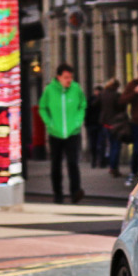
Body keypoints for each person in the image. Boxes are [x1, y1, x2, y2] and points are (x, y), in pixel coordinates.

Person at [37, 64, 87, 204]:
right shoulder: (50, 90)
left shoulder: (76, 89)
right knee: (56, 164)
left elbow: (82, 105)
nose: (69, 80)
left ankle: (75, 192)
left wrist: (78, 121)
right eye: (66, 77)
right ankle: (58, 194)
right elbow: (42, 108)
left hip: (73, 132)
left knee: (73, 163)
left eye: (70, 77)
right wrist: (50, 123)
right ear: (58, 77)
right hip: (55, 133)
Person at [99, 77, 127, 178]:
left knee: (111, 145)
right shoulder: (116, 95)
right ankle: (114, 168)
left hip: (105, 124)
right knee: (116, 146)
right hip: (115, 125)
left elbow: (96, 105)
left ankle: (111, 166)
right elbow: (121, 107)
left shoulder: (102, 94)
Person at [84, 84, 104, 168]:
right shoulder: (90, 100)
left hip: (100, 124)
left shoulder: (102, 100)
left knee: (100, 143)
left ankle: (100, 161)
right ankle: (94, 160)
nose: (97, 93)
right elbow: (86, 112)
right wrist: (87, 124)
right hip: (92, 125)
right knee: (94, 144)